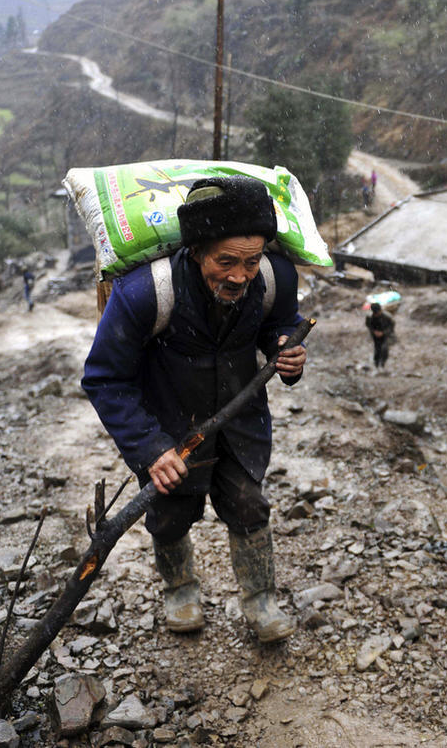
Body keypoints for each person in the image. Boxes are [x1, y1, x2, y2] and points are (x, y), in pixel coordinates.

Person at [82, 176, 307, 642]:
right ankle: (180, 589)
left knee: (248, 503)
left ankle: (261, 602)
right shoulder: (147, 293)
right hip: (168, 427)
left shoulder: (275, 277)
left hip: (241, 421)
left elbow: (280, 323)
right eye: (226, 262)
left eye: (251, 261)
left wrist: (286, 351)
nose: (240, 276)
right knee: (169, 513)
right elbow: (105, 378)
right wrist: (149, 448)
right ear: (197, 250)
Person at [365, 301, 395, 371]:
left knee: (384, 348)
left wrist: (383, 333)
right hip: (375, 335)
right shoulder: (369, 317)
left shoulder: (388, 317)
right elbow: (368, 325)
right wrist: (374, 332)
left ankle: (382, 364)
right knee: (377, 349)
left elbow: (391, 327)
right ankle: (376, 364)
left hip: (386, 334)